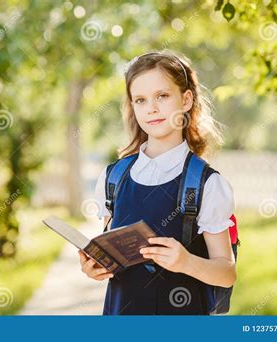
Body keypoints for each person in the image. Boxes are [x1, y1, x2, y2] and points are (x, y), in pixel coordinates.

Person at [79, 51, 237, 315]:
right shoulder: (113, 178)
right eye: (140, 100)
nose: (151, 108)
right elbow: (111, 249)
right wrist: (95, 265)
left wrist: (186, 262)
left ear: (186, 100)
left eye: (162, 96)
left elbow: (227, 273)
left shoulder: (206, 184)